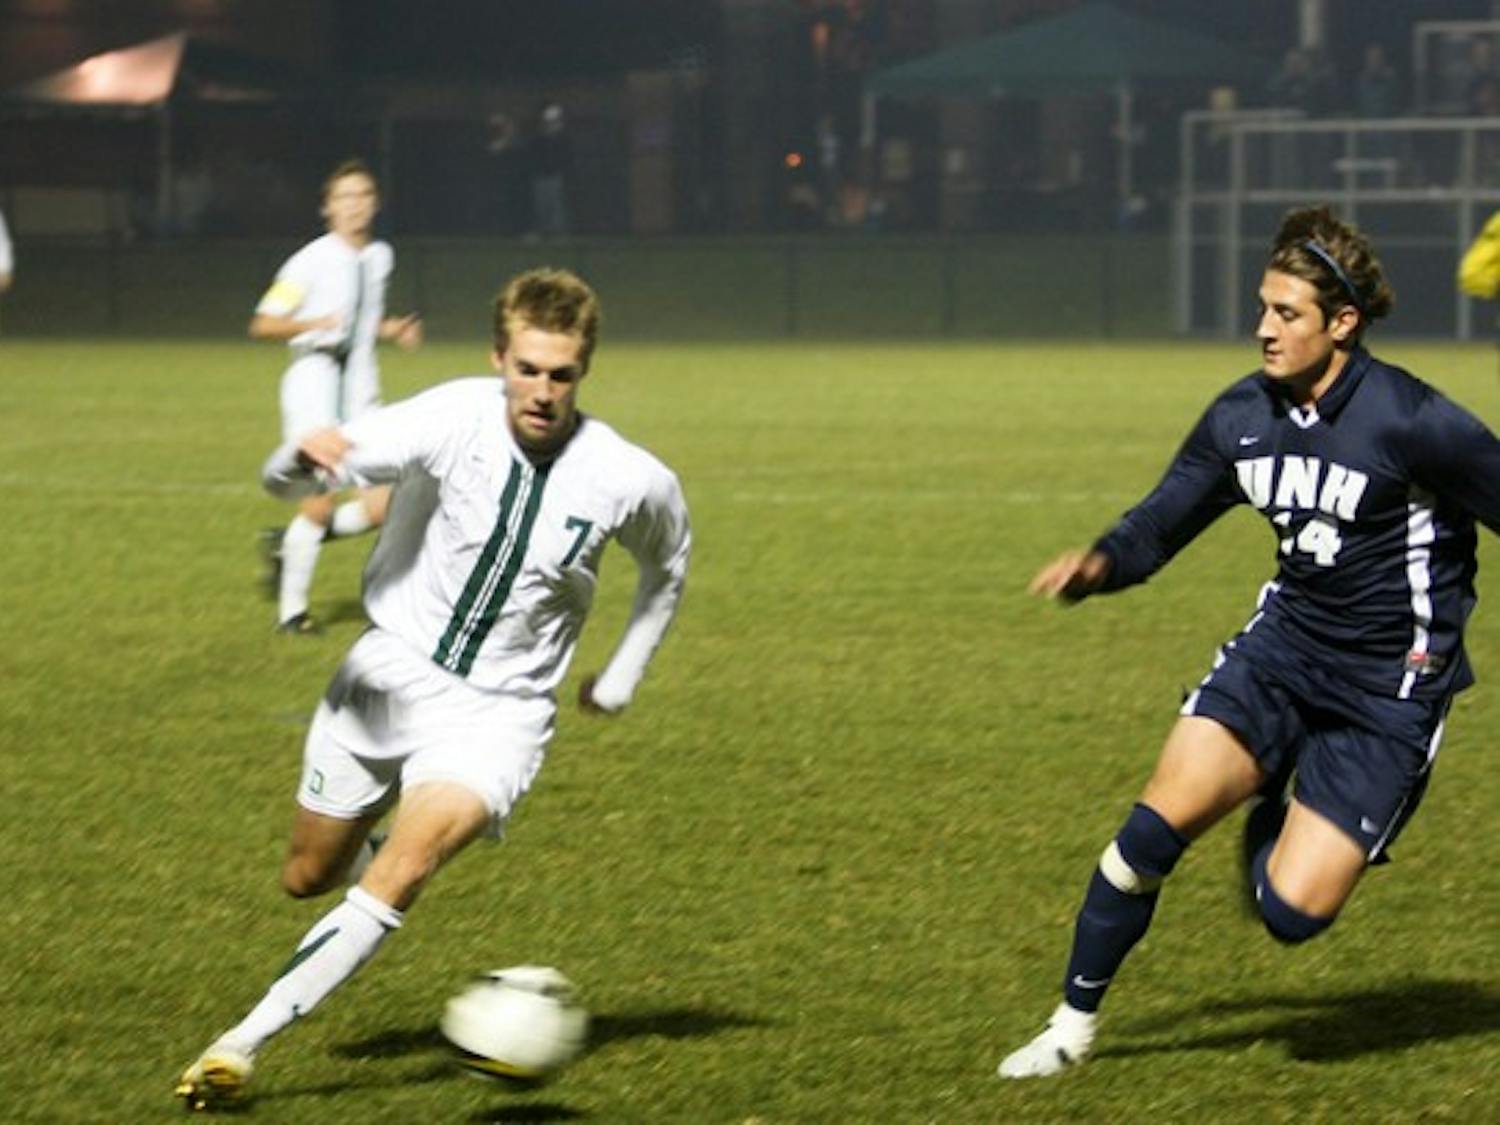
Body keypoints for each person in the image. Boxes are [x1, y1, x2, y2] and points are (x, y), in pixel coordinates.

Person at [998, 206, 1500, 1079]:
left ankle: (1268, 806)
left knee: (1290, 913)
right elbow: (1158, 526)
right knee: (1145, 837)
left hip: (1387, 691)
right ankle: (1069, 1029)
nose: (1264, 329)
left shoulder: (1414, 420)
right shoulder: (1241, 416)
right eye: (1262, 308)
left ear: (1343, 324)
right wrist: (1100, 563)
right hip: (1280, 656)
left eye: (1287, 314)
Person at [175, 267, 691, 1110]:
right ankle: (376, 843)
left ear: (583, 372)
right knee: (308, 875)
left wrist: (625, 672)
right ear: (499, 357)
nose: (542, 391)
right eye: (527, 368)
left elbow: (667, 566)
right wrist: (296, 461)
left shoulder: (627, 476)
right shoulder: (449, 417)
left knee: (405, 867)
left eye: (561, 374)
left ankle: (238, 1044)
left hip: (499, 715)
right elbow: (304, 475)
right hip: (386, 677)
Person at [250, 157, 423, 634]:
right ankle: (292, 615)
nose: (354, 206)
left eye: (363, 196)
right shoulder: (309, 260)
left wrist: (391, 329)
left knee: (385, 505)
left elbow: (361, 320)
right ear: (327, 208)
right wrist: (313, 324)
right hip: (313, 391)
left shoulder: (380, 256)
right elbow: (263, 322)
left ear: (375, 204)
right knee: (320, 504)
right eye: (344, 198)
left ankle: (290, 545)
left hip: (363, 395)